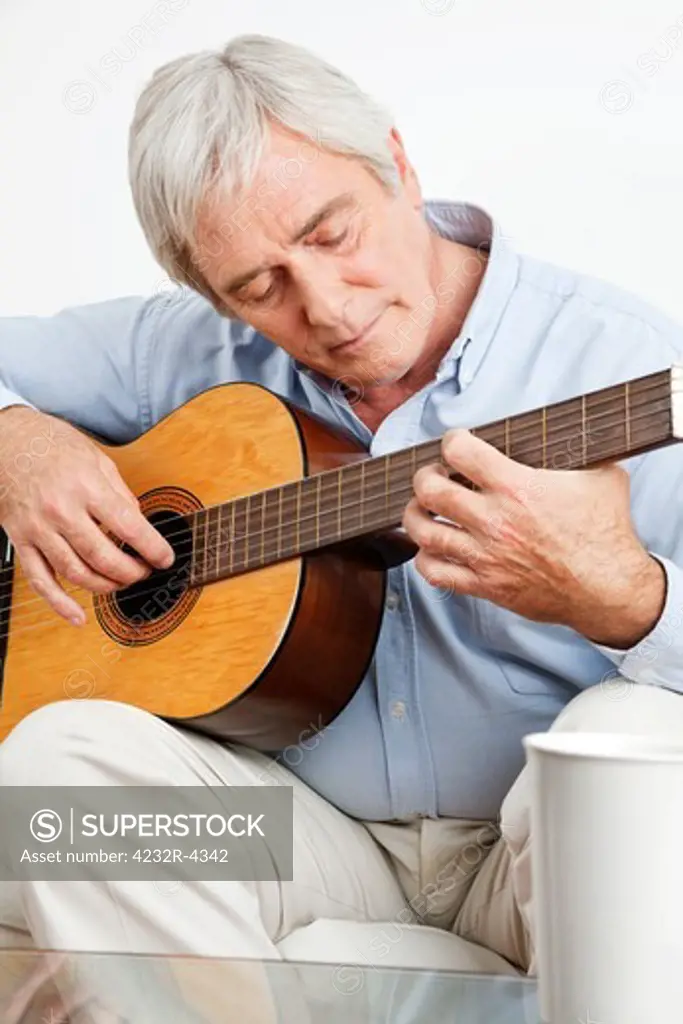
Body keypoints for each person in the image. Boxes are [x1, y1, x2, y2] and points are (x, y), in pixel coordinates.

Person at [2, 30, 683, 1017]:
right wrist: (21, 442)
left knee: (635, 734)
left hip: (537, 859)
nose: (323, 305)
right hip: (311, 848)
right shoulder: (184, 352)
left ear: (397, 167)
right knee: (56, 766)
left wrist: (624, 596)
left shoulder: (616, 361)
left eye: (331, 233)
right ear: (208, 291)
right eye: (256, 285)